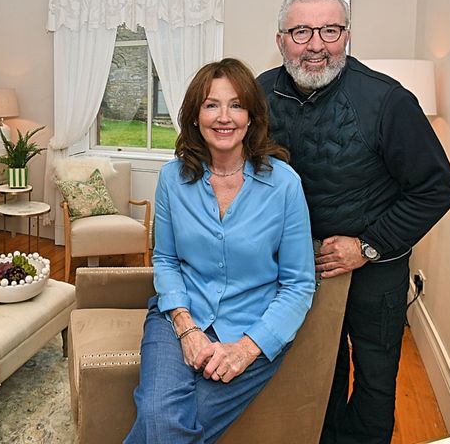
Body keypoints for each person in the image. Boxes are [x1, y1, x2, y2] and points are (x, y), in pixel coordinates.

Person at [258, 0, 450, 444]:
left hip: (376, 271)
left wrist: (366, 245)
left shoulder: (387, 101)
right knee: (317, 373)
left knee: (373, 380)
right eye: (301, 31)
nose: (315, 45)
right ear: (280, 39)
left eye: (330, 30)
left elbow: (436, 188)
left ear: (346, 36)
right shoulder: (259, 93)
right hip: (298, 270)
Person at [125, 58, 315, 443]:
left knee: (171, 424)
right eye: (212, 104)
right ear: (195, 116)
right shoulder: (171, 179)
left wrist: (246, 349)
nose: (224, 117)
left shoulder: (285, 185)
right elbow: (165, 259)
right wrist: (187, 327)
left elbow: (299, 285)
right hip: (176, 313)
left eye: (236, 105)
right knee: (159, 413)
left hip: (253, 327)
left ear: (251, 116)